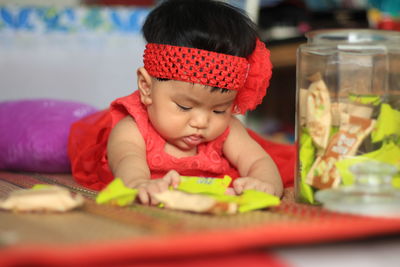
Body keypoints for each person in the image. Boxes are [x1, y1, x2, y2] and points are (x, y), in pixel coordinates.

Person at [68, 0, 295, 205]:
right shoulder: (133, 127)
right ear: (146, 87)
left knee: (285, 162)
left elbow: (258, 161)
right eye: (185, 107)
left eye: (219, 109)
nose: (201, 121)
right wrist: (138, 182)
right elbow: (127, 159)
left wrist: (265, 183)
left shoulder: (228, 130)